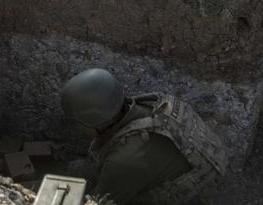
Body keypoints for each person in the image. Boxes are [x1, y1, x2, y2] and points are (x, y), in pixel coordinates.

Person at [60, 68, 227, 205]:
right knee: (80, 169)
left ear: (93, 120)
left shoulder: (122, 161)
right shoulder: (148, 104)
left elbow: (101, 201)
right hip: (205, 158)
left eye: (77, 122)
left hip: (195, 191)